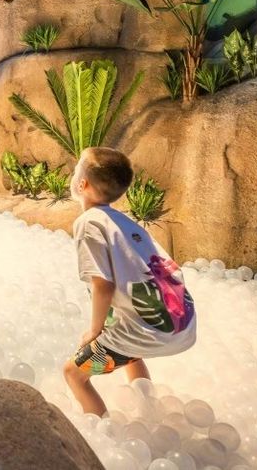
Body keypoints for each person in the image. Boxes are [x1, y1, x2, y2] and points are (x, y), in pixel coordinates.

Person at [63, 147, 196, 416]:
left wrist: (94, 332)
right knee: (130, 351)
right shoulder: (124, 222)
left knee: (74, 374)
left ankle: (101, 432)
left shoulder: (89, 223)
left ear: (82, 184)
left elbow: (103, 286)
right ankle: (149, 409)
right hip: (182, 327)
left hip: (149, 333)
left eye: (77, 169)